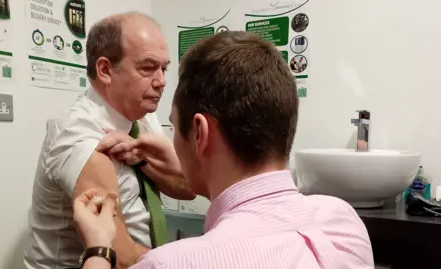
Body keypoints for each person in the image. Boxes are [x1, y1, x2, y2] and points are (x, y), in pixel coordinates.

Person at [74, 31, 375, 268]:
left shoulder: (172, 263)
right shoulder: (341, 221)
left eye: (176, 130)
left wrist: (98, 249)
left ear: (200, 133)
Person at [23, 12, 195, 269]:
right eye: (148, 68)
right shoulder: (79, 133)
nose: (162, 82)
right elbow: (118, 255)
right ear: (105, 70)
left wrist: (143, 161)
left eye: (164, 68)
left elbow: (186, 189)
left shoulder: (143, 118)